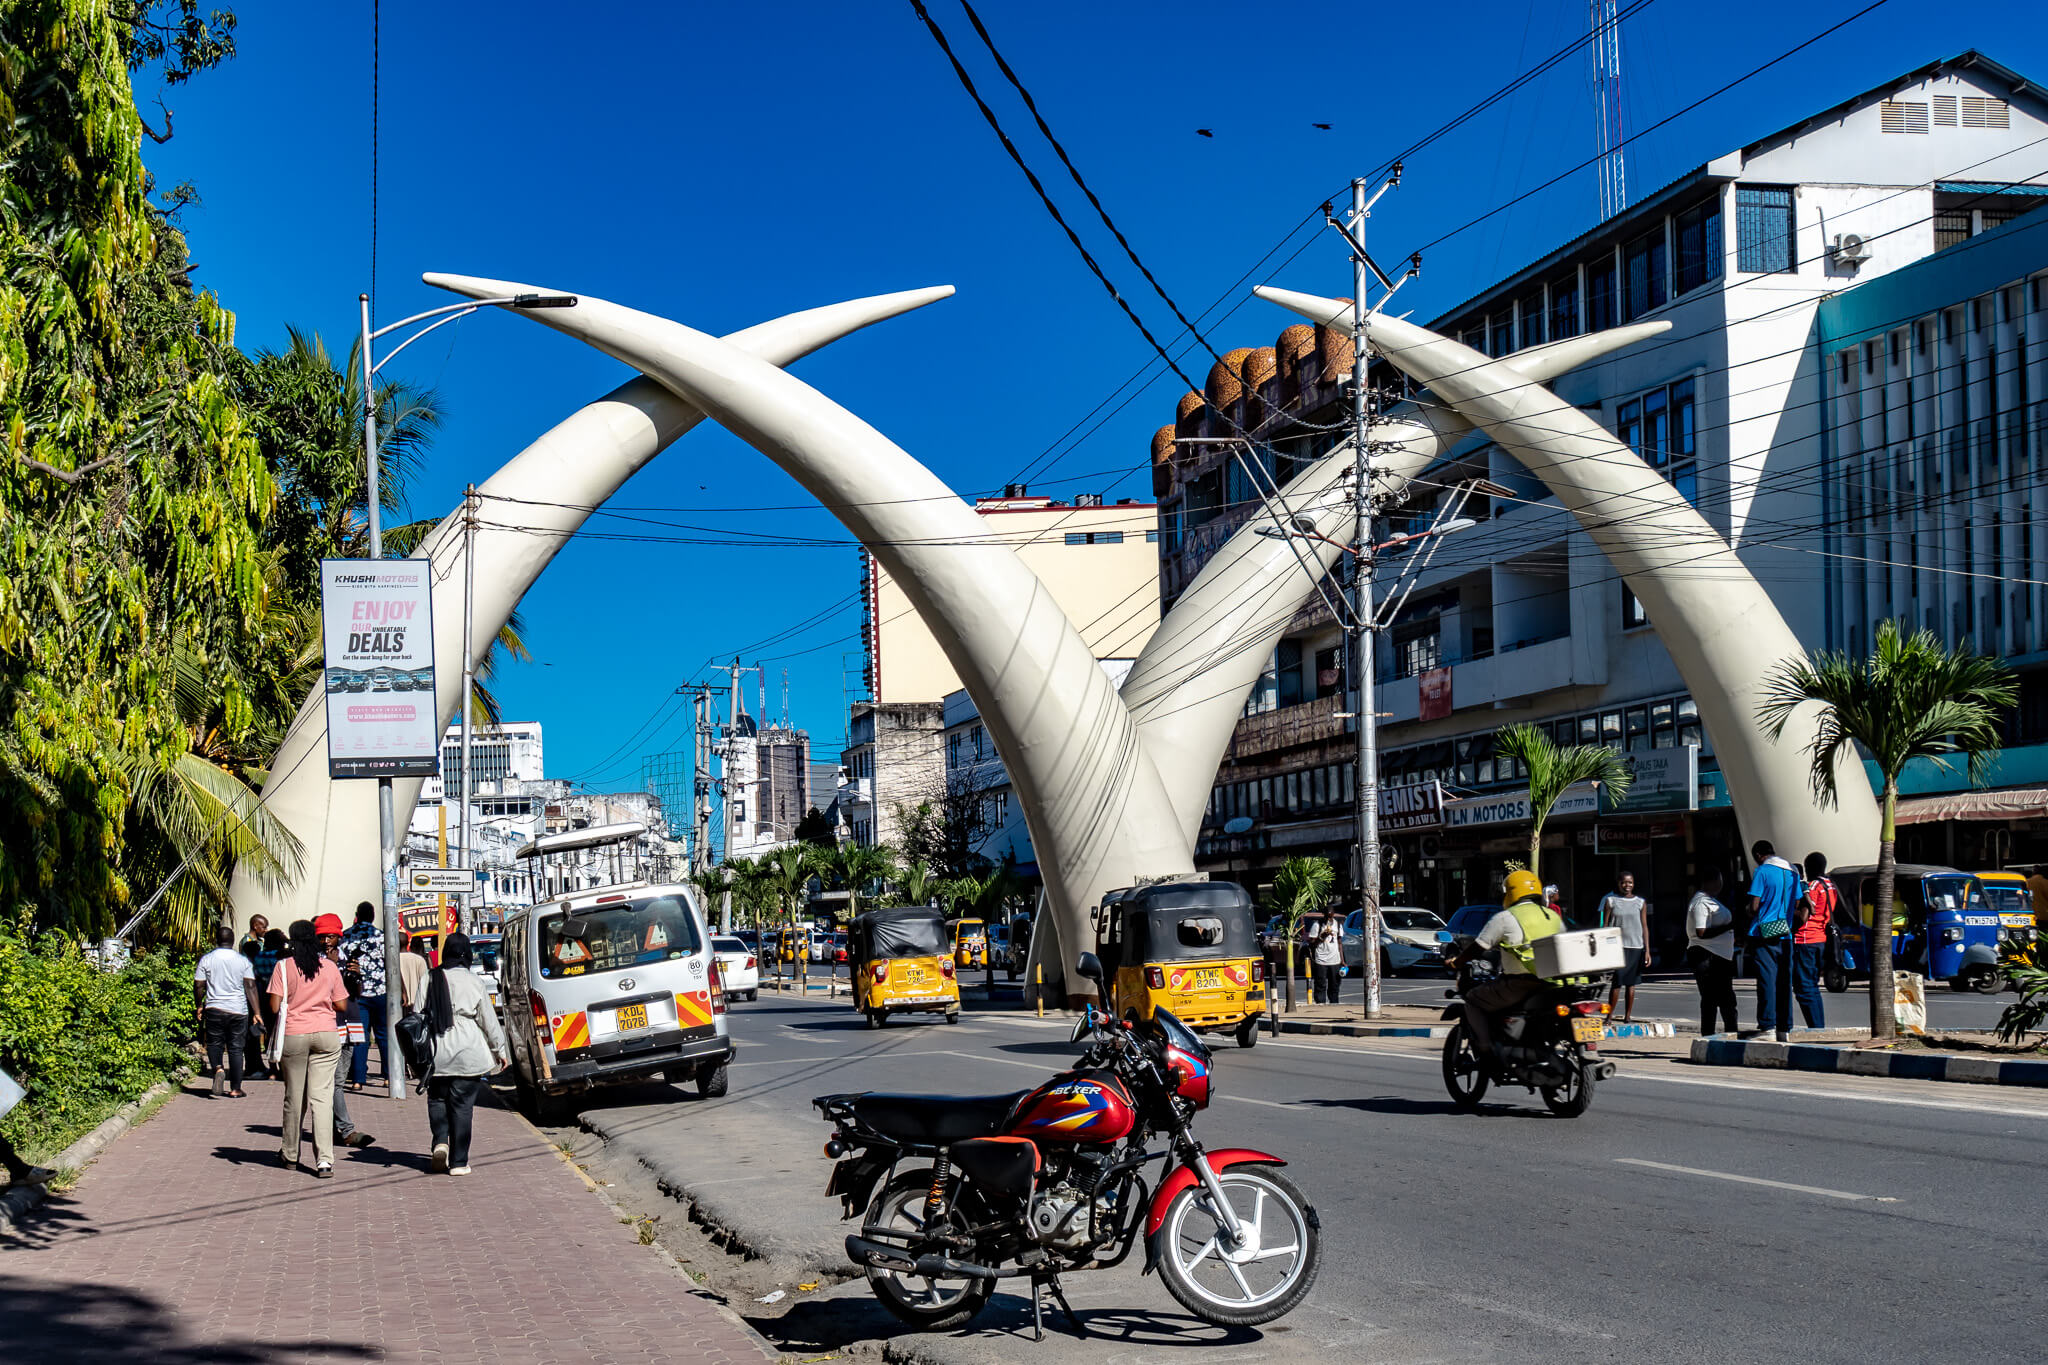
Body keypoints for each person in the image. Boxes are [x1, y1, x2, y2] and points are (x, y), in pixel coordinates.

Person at [1447, 870, 1565, 1063]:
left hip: (1520, 985)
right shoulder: (1551, 916)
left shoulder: (1505, 918)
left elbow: (1478, 947)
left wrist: (1455, 962)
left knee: (1473, 999)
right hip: (1553, 986)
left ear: (1510, 893)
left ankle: (1485, 1048)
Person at [267, 919, 351, 1177]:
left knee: (294, 1096)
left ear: (291, 940)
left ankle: (290, 1154)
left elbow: (273, 1006)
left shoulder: (283, 967)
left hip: (294, 1034)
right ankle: (324, 1160)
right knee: (322, 1098)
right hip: (326, 1035)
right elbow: (342, 1006)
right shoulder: (329, 967)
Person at [421, 933, 508, 1176]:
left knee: (437, 1098)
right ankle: (459, 1162)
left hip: (437, 1049)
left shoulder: (429, 978)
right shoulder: (474, 981)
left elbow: (418, 1015)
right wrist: (499, 1049)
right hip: (468, 1050)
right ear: (467, 954)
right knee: (462, 1107)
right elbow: (488, 1020)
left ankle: (440, 1141)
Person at [315, 914, 375, 1150]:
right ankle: (346, 1130)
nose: (328, 941)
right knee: (334, 1082)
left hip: (349, 1022)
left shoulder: (346, 957)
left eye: (332, 936)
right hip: (329, 1023)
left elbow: (356, 992)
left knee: (337, 1080)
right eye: (323, 937)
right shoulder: (315, 962)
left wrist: (355, 972)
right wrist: (331, 967)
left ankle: (333, 1129)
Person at [194, 925, 260, 1098]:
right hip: (238, 1009)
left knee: (214, 1042)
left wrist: (199, 1004)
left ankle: (217, 1067)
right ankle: (235, 1089)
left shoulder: (207, 959)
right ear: (232, 941)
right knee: (236, 1048)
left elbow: (199, 985)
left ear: (216, 940)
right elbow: (250, 986)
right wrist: (257, 1011)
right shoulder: (242, 960)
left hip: (214, 1007)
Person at [1746, 840, 1802, 1041]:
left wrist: (1749, 910)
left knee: (1766, 980)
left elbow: (1754, 906)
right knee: (1784, 981)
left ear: (1759, 855)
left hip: (1762, 933)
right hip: (1785, 934)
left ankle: (1767, 1026)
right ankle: (1784, 1028)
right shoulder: (1792, 872)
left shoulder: (1762, 871)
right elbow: (1796, 901)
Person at [338, 902, 390, 1089]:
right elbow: (390, 963)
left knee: (360, 1037)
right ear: (373, 916)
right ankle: (388, 1077)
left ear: (356, 915)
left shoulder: (346, 936)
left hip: (356, 993)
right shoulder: (381, 937)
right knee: (384, 1035)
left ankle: (358, 1080)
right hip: (381, 991)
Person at [1685, 869, 1739, 1035]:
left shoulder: (1710, 901)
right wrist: (1729, 927)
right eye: (1719, 880)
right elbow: (1701, 932)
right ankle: (1709, 1036)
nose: (1721, 885)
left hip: (1719, 956)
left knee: (1726, 1000)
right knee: (1712, 999)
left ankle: (1730, 1033)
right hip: (1707, 955)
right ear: (1711, 882)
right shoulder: (1701, 903)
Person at [1598, 872, 1649, 1022]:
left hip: (1636, 946)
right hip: (1617, 947)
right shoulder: (1611, 901)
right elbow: (1605, 925)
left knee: (1631, 983)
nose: (1627, 886)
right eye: (1624, 883)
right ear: (1618, 883)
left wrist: (1647, 950)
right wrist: (1604, 946)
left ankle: (1627, 1016)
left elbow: (1644, 926)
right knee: (1617, 982)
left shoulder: (1640, 902)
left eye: (1630, 883)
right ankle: (1609, 1016)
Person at [1792, 853, 1834, 1029]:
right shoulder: (1830, 885)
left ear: (1808, 868)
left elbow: (1804, 916)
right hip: (1820, 938)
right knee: (1812, 986)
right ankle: (1818, 1027)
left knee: (1804, 989)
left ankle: (1815, 1028)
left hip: (1805, 939)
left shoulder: (1812, 887)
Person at [1311, 913, 1344, 1005]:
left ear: (1333, 915)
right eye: (1327, 916)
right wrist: (1322, 936)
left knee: (1335, 984)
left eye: (1330, 916)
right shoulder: (1317, 925)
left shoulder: (1337, 925)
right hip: (1321, 959)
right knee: (1320, 984)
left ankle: (1334, 1003)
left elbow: (1340, 943)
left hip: (1335, 959)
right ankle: (1320, 1003)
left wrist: (1342, 960)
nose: (1328, 919)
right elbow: (1312, 943)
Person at [399, 933, 430, 1011]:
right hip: (417, 1004)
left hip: (399, 1004)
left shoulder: (392, 961)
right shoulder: (419, 959)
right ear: (408, 943)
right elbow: (426, 982)